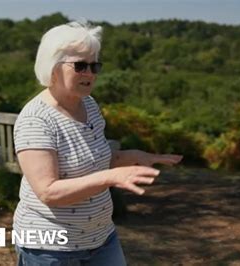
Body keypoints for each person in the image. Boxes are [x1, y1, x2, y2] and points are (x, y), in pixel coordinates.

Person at [12, 21, 183, 265]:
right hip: (50, 248)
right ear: (52, 67)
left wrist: (133, 156)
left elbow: (96, 159)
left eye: (94, 65)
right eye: (80, 66)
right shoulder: (36, 119)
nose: (90, 73)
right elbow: (48, 192)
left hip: (101, 238)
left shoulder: (89, 105)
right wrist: (111, 178)